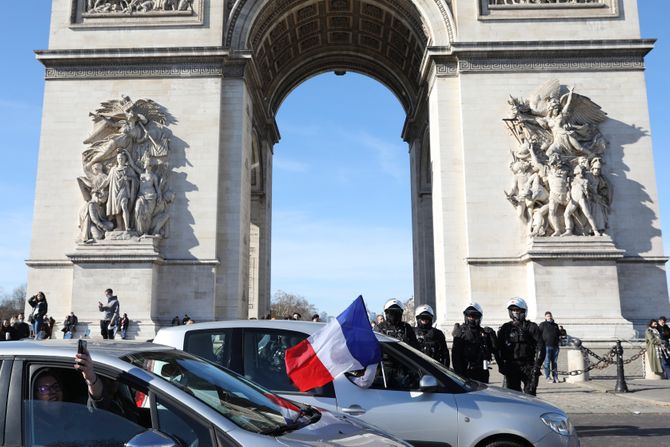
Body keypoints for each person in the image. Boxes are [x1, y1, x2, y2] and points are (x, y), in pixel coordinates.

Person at [497, 297, 545, 395]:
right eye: (513, 310)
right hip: (512, 366)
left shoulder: (532, 327)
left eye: (518, 310)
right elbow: (499, 348)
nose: (515, 313)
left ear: (523, 311)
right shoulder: (506, 328)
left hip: (528, 365)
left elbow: (541, 347)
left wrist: (537, 366)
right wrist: (501, 365)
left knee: (530, 394)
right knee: (513, 395)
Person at [452, 303, 498, 383]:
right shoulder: (461, 332)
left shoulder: (484, 333)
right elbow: (455, 356)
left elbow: (495, 350)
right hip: (465, 372)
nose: (472, 319)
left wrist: (492, 337)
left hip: (482, 372)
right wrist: (459, 374)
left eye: (474, 316)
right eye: (469, 316)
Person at [538, 311, 561, 383]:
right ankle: (548, 377)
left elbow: (558, 335)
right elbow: (539, 335)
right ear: (545, 317)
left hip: (555, 346)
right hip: (546, 346)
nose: (549, 317)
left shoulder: (555, 325)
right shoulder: (542, 324)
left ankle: (555, 376)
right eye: (547, 316)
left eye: (550, 315)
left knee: (554, 362)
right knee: (547, 362)